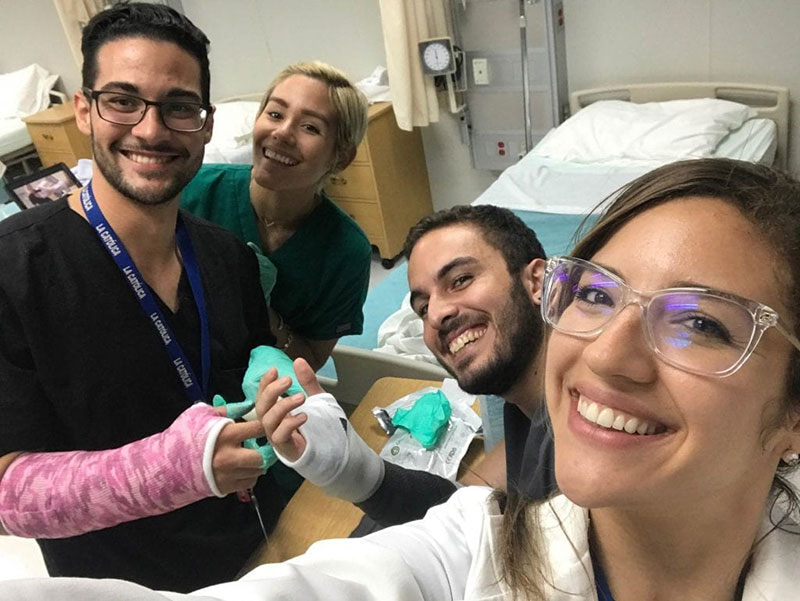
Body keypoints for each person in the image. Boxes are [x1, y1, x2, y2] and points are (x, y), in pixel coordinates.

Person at [7, 157, 798, 600]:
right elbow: (475, 522)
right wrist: (346, 466)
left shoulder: (564, 440)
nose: (608, 354)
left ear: (534, 281)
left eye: (700, 322)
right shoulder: (518, 436)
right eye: (597, 293)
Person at [0, 3, 285, 592]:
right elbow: (8, 491)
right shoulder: (13, 272)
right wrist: (176, 470)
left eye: (179, 107)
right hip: (125, 583)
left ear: (205, 123)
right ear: (84, 110)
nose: (151, 130)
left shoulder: (228, 258)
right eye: (123, 100)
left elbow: (251, 372)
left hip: (262, 546)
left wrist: (276, 387)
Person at [260, 205, 556, 529]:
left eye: (460, 280)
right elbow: (470, 505)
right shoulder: (524, 406)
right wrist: (349, 468)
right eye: (423, 306)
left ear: (536, 281)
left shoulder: (586, 441)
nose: (437, 314)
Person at [181, 61, 372, 371]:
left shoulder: (346, 251)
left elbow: (309, 362)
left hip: (270, 388)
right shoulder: (192, 192)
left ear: (341, 157)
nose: (282, 133)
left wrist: (257, 306)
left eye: (310, 127)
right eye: (275, 114)